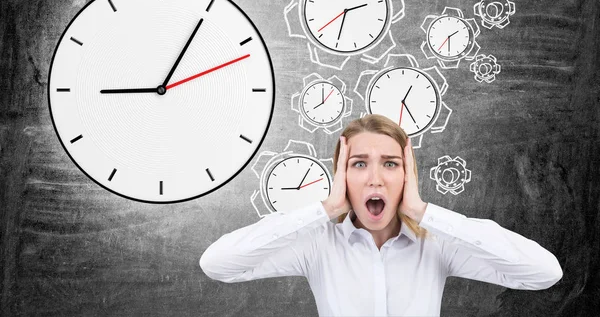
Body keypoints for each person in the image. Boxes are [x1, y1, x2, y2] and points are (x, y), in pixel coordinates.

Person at [199, 114, 563, 316]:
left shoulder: (436, 244)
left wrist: (424, 212)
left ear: (408, 174)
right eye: (359, 164)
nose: (375, 178)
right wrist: (325, 209)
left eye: (390, 164)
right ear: (342, 176)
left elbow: (544, 273)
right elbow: (218, 264)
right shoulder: (316, 245)